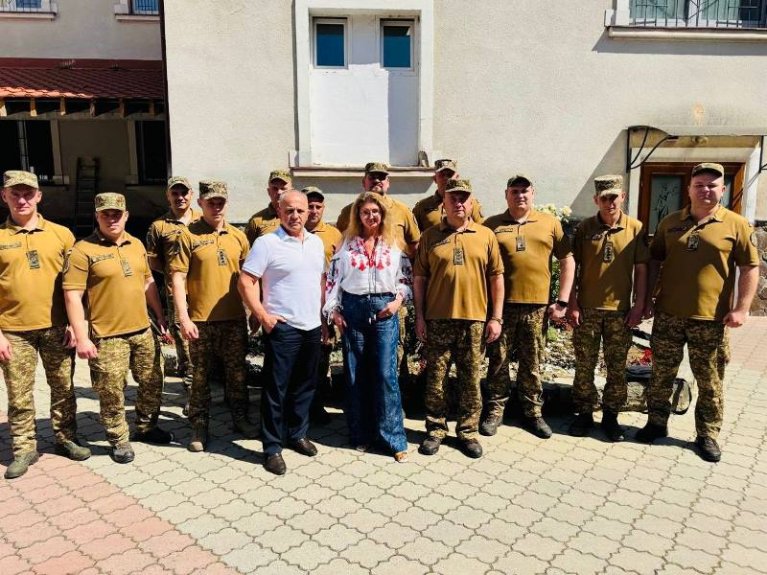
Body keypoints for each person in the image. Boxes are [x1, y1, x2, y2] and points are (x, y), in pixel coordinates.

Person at [638, 162, 759, 462]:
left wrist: (742, 308)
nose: (706, 190)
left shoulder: (736, 225)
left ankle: (707, 435)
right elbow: (655, 261)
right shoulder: (670, 222)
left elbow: (749, 267)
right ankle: (656, 423)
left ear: (722, 190)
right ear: (690, 190)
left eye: (712, 185)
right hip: (668, 315)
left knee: (709, 380)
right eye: (699, 185)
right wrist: (647, 299)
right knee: (661, 373)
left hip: (711, 319)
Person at [63, 193, 173, 464]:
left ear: (126, 216)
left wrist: (159, 316)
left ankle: (146, 426)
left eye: (116, 214)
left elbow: (148, 282)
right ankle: (119, 439)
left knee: (152, 380)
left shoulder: (136, 244)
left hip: (142, 329)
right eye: (105, 214)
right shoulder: (82, 250)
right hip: (107, 335)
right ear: (97, 216)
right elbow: (73, 295)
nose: (111, 219)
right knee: (111, 389)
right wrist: (81, 337)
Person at [0, 170, 90, 479]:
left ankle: (66, 439)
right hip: (14, 331)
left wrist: (77, 324)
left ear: (39, 196)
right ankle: (24, 448)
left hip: (57, 328)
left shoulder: (62, 235)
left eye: (28, 193)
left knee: (63, 387)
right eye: (15, 194)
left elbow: (78, 285)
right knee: (19, 394)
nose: (22, 200)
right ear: (4, 196)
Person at [414, 179, 504, 459]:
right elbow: (419, 279)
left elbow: (496, 277)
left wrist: (496, 317)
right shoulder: (430, 236)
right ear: (444, 202)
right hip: (438, 320)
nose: (459, 203)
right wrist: (419, 317)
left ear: (471, 202)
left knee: (470, 380)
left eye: (464, 197)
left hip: (474, 321)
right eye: (453, 197)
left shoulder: (485, 235)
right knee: (436, 380)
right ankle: (436, 430)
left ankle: (468, 432)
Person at [480, 174, 574, 439]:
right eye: (515, 191)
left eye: (525, 190)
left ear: (533, 193)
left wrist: (562, 300)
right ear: (506, 195)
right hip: (501, 307)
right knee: (498, 360)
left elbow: (567, 260)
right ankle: (495, 409)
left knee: (532, 362)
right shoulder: (492, 225)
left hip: (536, 307)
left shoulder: (549, 223)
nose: (520, 195)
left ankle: (532, 411)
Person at [239, 190, 325, 475]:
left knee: (305, 386)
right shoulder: (267, 243)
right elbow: (246, 281)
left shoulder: (316, 243)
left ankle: (297, 434)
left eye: (300, 210)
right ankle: (272, 447)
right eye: (289, 210)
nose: (295, 216)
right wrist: (262, 315)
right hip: (283, 328)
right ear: (279, 212)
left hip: (311, 326)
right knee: (276, 390)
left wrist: (323, 319)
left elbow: (320, 282)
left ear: (308, 212)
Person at [169, 181, 259, 452]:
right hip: (200, 322)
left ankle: (240, 419)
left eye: (220, 202)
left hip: (233, 319)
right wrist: (184, 318)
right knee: (199, 377)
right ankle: (199, 426)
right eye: (211, 202)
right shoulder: (188, 235)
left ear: (227, 203)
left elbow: (250, 278)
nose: (216, 207)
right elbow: (178, 278)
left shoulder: (238, 236)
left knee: (237, 374)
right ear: (201, 203)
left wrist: (254, 311)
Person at [324, 192, 412, 462]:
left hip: (385, 308)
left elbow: (405, 278)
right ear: (358, 215)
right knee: (356, 372)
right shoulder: (347, 244)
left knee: (385, 373)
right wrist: (333, 310)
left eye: (375, 211)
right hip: (354, 308)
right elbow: (332, 280)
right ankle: (360, 433)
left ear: (382, 214)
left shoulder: (393, 243)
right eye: (365, 212)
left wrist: (397, 302)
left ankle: (393, 439)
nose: (371, 216)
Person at [567, 175, 649, 441]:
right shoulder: (585, 228)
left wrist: (638, 305)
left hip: (620, 312)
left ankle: (611, 417)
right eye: (604, 198)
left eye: (614, 197)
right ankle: (584, 413)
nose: (609, 202)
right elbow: (573, 267)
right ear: (596, 200)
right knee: (584, 365)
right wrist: (572, 303)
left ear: (622, 197)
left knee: (616, 367)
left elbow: (641, 269)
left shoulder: (635, 228)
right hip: (587, 310)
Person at [336, 162, 421, 399]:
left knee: (393, 356)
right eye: (372, 177)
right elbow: (343, 248)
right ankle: (365, 409)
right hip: (357, 300)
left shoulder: (402, 210)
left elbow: (414, 247)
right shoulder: (350, 211)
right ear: (364, 181)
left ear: (388, 182)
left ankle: (396, 403)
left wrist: (401, 288)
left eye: (382, 177)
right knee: (361, 360)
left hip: (391, 297)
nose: (377, 181)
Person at [146, 176, 201, 414]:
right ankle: (193, 397)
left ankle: (206, 392)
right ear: (168, 196)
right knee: (186, 349)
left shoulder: (203, 220)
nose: (180, 197)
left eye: (184, 193)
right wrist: (174, 274)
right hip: (176, 295)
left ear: (191, 195)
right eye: (175, 193)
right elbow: (152, 261)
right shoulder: (159, 226)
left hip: (204, 293)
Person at [302, 186, 343, 423]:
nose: (314, 210)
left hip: (326, 306)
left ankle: (317, 405)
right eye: (310, 206)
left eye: (318, 206)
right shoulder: (291, 232)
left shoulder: (334, 234)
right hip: (300, 304)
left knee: (322, 356)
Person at [413, 158, 484, 232]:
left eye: (450, 175)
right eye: (442, 175)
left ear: (457, 177)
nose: (446, 178)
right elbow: (414, 236)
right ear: (435, 179)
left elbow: (481, 232)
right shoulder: (422, 207)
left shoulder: (470, 204)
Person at [245, 169, 292, 244]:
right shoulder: (257, 221)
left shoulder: (300, 216)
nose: (279, 192)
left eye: (283, 188)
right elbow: (248, 248)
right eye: (275, 189)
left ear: (292, 191)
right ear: (269, 192)